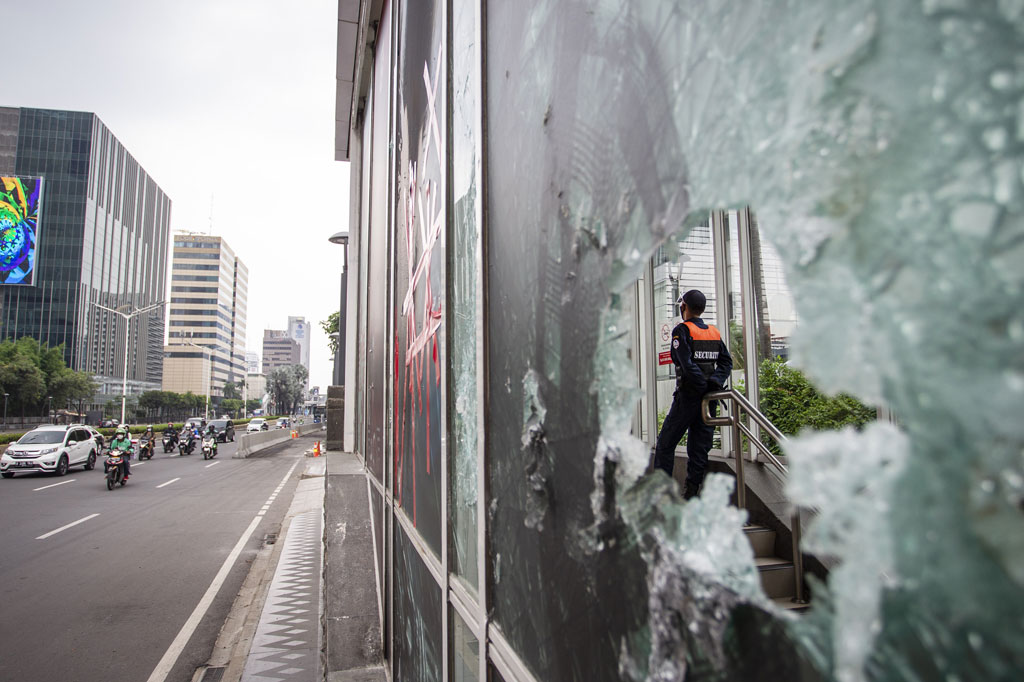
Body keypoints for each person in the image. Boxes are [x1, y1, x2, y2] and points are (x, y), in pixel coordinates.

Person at [653, 289, 733, 500]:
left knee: (665, 444)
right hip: (708, 401)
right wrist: (714, 382)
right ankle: (691, 493)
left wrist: (701, 385)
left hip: (688, 397)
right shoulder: (713, 332)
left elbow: (685, 363)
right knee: (699, 448)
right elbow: (726, 362)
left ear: (684, 307)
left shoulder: (682, 330)